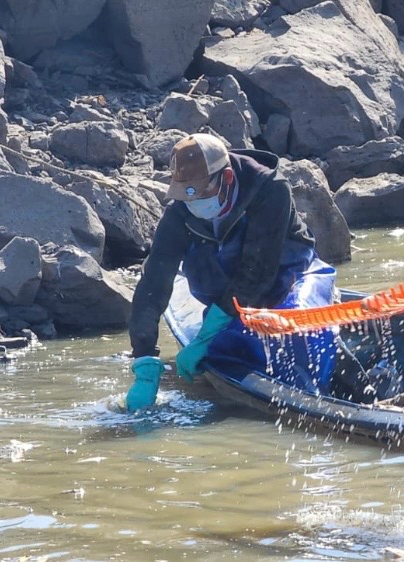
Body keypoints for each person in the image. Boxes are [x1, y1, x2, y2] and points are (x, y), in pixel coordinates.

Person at [124, 133, 338, 411]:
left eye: (201, 193)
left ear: (225, 178)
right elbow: (153, 283)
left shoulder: (270, 188)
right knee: (227, 348)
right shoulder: (181, 211)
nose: (193, 202)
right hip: (227, 290)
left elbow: (258, 271)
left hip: (287, 274)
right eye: (187, 194)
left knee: (300, 336)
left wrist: (208, 333)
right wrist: (144, 361)